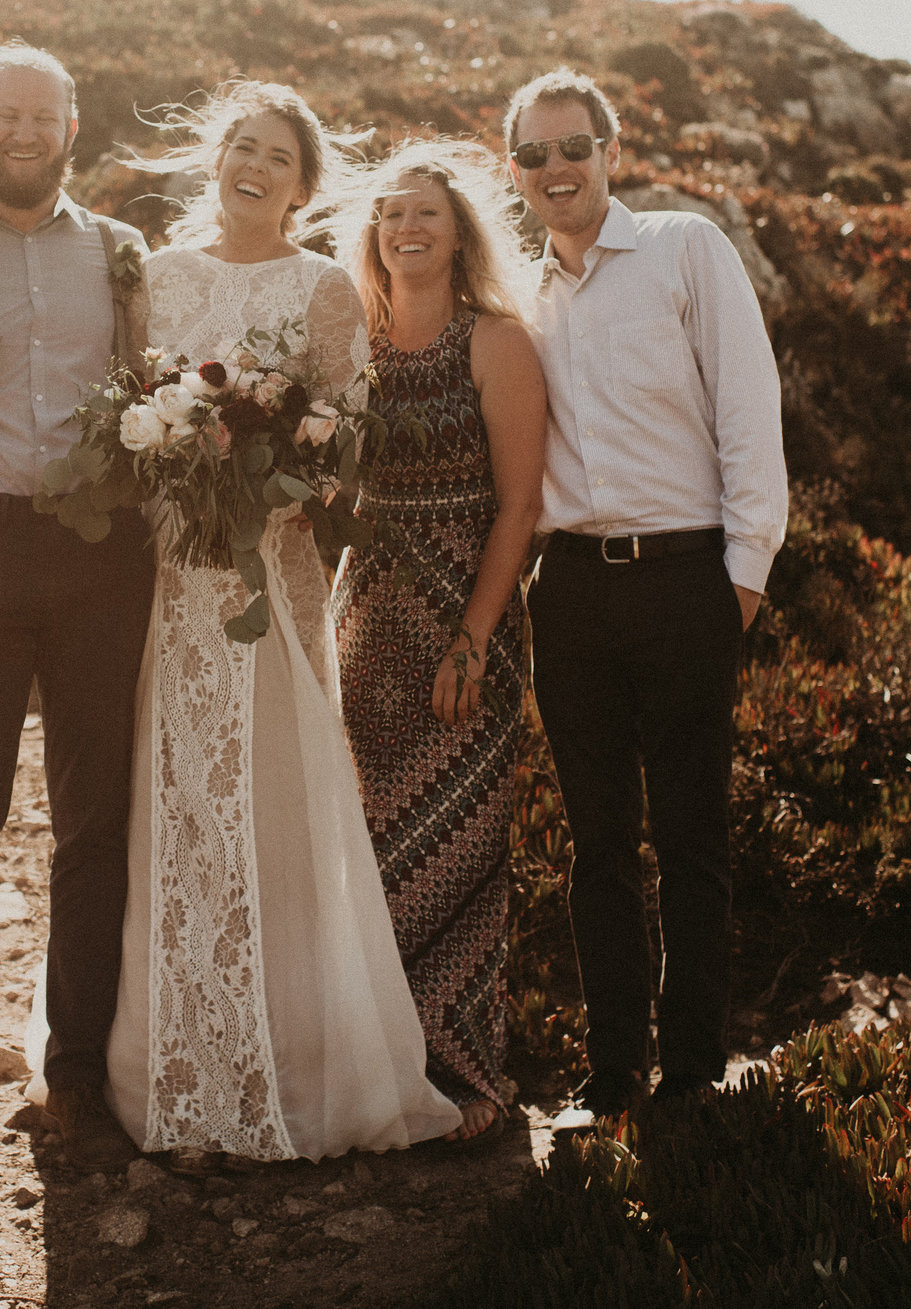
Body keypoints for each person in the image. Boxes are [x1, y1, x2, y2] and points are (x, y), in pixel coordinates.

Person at [104, 80, 461, 1164]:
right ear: (214, 158)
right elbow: (122, 412)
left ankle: (292, 1068)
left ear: (304, 188)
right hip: (165, 584)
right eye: (241, 146)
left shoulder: (321, 292)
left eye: (279, 157)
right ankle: (171, 1069)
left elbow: (343, 451)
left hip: (269, 576)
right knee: (172, 807)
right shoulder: (152, 277)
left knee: (274, 808)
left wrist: (264, 466)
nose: (254, 166)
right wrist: (172, 449)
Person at [505, 70, 787, 1130]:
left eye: (573, 146)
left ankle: (694, 1072)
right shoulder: (520, 294)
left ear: (611, 150)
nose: (556, 169)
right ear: (516, 171)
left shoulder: (685, 248)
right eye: (533, 155)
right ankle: (613, 1070)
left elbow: (749, 412)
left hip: (685, 581)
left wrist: (741, 582)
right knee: (597, 844)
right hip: (569, 590)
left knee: (692, 838)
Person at [0, 42, 158, 1181]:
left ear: (72, 126)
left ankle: (77, 1077)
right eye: (1, 114)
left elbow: (155, 388)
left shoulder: (118, 255)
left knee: (93, 826)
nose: (20, 131)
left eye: (40, 115)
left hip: (101, 554)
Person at [330, 139, 547, 1149]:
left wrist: (473, 637)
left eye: (423, 213)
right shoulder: (351, 341)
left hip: (472, 617)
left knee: (457, 851)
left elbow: (519, 507)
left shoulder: (492, 343)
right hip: (365, 618)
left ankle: (462, 1073)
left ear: (457, 231)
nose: (404, 228)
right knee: (368, 849)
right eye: (389, 215)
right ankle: (375, 1067)